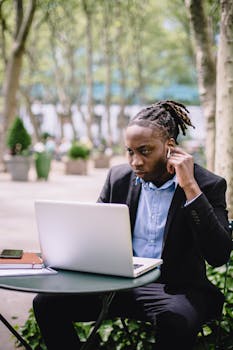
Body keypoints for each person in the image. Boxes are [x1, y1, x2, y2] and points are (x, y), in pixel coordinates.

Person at [33, 100, 232, 350]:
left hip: (175, 290)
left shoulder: (207, 184)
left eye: (145, 151)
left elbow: (218, 255)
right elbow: (95, 234)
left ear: (170, 146)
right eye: (130, 151)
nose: (135, 161)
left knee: (177, 322)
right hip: (118, 285)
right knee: (46, 304)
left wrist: (190, 188)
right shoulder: (119, 178)